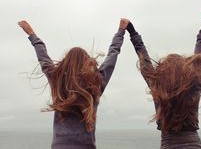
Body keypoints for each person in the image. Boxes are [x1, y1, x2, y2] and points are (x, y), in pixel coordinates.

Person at [18, 19, 128, 149]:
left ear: (65, 62)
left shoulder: (57, 80)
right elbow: (111, 57)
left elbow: (44, 58)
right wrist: (120, 32)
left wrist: (32, 34)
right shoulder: (95, 84)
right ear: (87, 62)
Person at [126, 12, 201, 148]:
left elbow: (144, 59)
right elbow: (199, 57)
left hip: (168, 144)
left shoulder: (157, 86)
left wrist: (132, 32)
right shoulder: (193, 85)